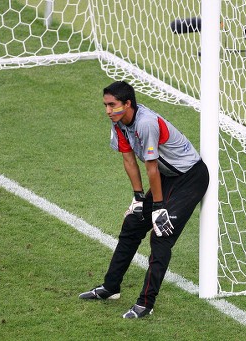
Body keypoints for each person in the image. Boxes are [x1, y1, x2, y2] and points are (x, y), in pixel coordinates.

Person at [79, 81, 209, 318]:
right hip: (166, 177)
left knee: (161, 235)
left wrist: (158, 208)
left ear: (127, 104)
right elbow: (128, 159)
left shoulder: (146, 123)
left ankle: (146, 303)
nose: (107, 110)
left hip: (190, 177)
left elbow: (151, 166)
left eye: (112, 105)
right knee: (132, 224)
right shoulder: (118, 122)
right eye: (105, 105)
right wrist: (138, 198)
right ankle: (111, 287)